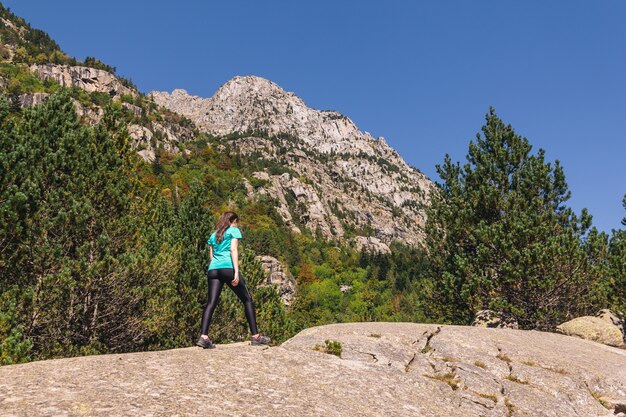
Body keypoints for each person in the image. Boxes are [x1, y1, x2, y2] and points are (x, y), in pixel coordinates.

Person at [197, 211, 271, 348]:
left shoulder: (214, 235)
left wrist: (217, 267)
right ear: (233, 221)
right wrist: (236, 272)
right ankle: (256, 336)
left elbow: (211, 256)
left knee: (211, 302)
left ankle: (204, 337)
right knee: (247, 299)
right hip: (228, 268)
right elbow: (233, 250)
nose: (237, 224)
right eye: (237, 222)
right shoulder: (233, 231)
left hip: (213, 270)